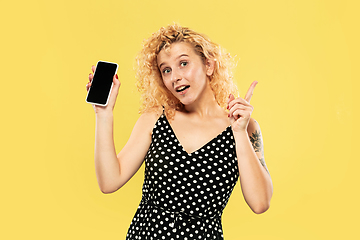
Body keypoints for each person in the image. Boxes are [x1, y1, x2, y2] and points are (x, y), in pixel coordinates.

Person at [86, 23, 273, 240]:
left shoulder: (244, 126)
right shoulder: (155, 119)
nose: (175, 76)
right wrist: (104, 114)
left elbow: (260, 203)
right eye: (166, 70)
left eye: (183, 63)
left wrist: (239, 132)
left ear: (209, 65)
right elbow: (109, 181)